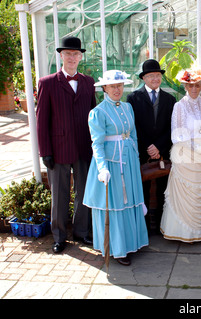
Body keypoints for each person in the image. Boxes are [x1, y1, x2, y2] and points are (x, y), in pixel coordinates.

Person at [36, 36, 96, 254]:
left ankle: (81, 232)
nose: (72, 57)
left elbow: (94, 116)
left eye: (76, 54)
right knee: (60, 195)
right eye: (68, 54)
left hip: (83, 148)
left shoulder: (89, 82)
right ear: (61, 55)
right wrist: (45, 152)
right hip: (58, 149)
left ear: (80, 57)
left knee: (84, 193)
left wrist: (96, 147)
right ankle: (59, 237)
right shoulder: (47, 82)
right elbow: (41, 121)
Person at [83, 70, 149, 266]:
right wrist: (102, 168)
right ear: (104, 88)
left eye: (120, 85)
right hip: (110, 166)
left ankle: (133, 242)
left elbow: (133, 134)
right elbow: (97, 143)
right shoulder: (98, 112)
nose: (117, 89)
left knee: (130, 201)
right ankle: (118, 250)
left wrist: (135, 155)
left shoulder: (128, 107)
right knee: (116, 204)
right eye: (113, 86)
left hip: (128, 163)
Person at [160, 65, 201, 243]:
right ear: (185, 87)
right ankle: (185, 232)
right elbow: (177, 135)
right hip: (186, 157)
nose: (194, 89)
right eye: (190, 86)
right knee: (189, 193)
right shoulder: (179, 106)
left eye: (197, 85)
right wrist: (200, 149)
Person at [126, 59, 176, 230]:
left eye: (158, 75)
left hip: (163, 152)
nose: (155, 78)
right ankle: (144, 227)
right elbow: (133, 126)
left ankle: (163, 225)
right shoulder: (133, 98)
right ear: (144, 78)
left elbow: (172, 126)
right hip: (142, 151)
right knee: (144, 190)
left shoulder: (170, 99)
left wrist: (159, 147)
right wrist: (148, 146)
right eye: (151, 76)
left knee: (163, 190)